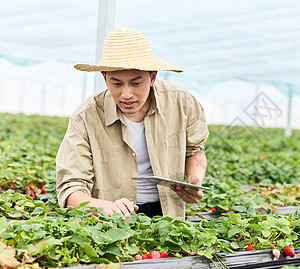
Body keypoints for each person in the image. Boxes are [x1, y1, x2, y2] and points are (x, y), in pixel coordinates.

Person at [55, 28, 209, 219]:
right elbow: (71, 189)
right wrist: (103, 207)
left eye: (136, 83)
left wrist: (194, 181)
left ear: (152, 77)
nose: (126, 94)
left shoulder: (181, 103)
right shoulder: (86, 117)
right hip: (109, 225)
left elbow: (194, 151)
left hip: (168, 218)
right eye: (117, 84)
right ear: (104, 78)